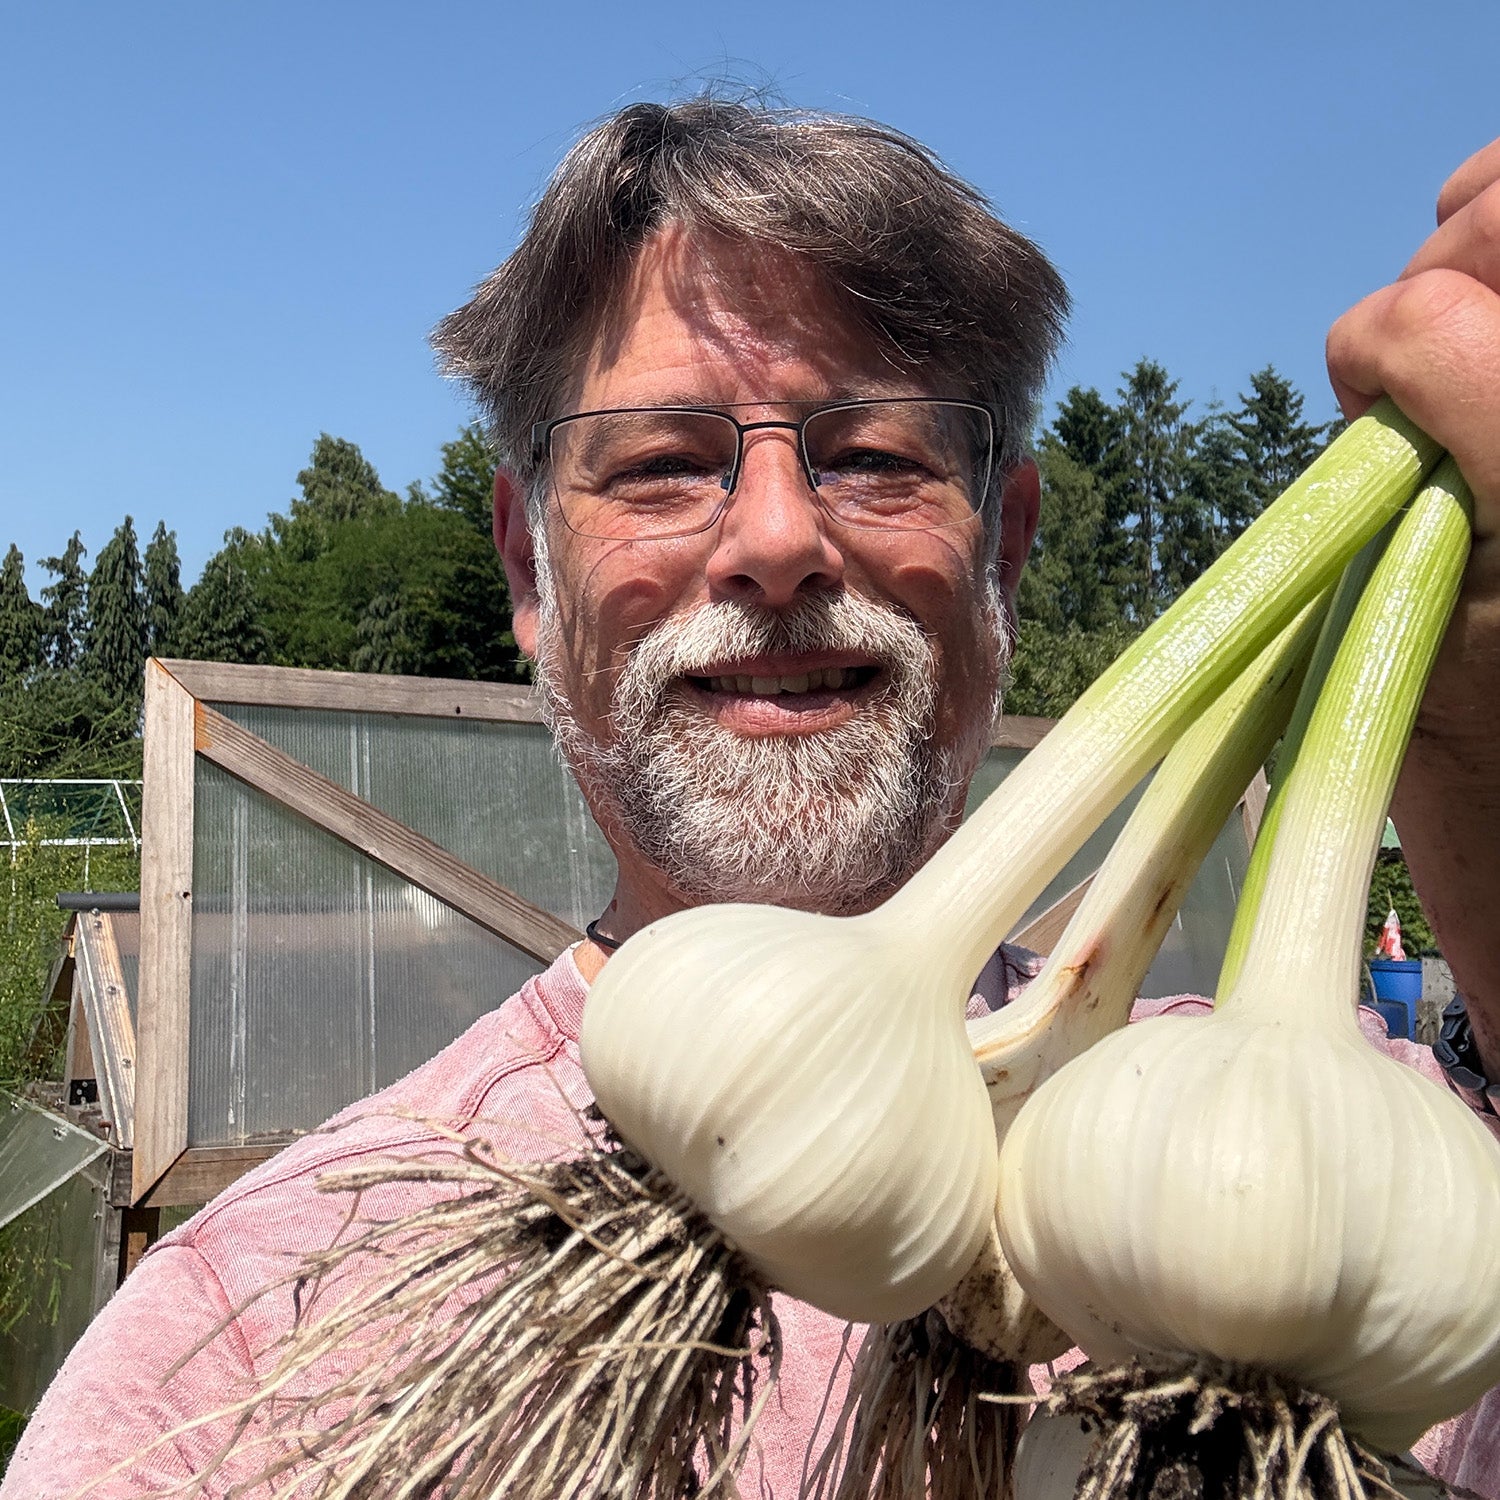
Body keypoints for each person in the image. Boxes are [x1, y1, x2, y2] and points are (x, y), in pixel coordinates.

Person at [5, 95, 1500, 1497]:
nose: (777, 540)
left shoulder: (1403, 1216)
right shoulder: (247, 1341)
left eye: (870, 455)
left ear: (1008, 552)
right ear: (530, 567)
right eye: (661, 465)